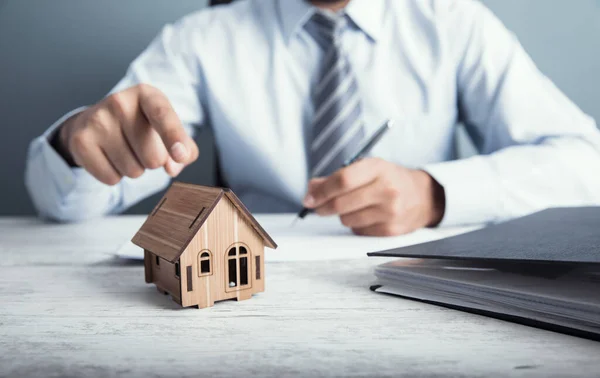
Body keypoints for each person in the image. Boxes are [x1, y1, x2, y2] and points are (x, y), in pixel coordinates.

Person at [25, 0, 600, 236]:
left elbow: (586, 164)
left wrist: (435, 194)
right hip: (259, 294)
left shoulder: (453, 22)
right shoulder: (202, 40)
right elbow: (66, 205)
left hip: (416, 287)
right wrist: (80, 146)